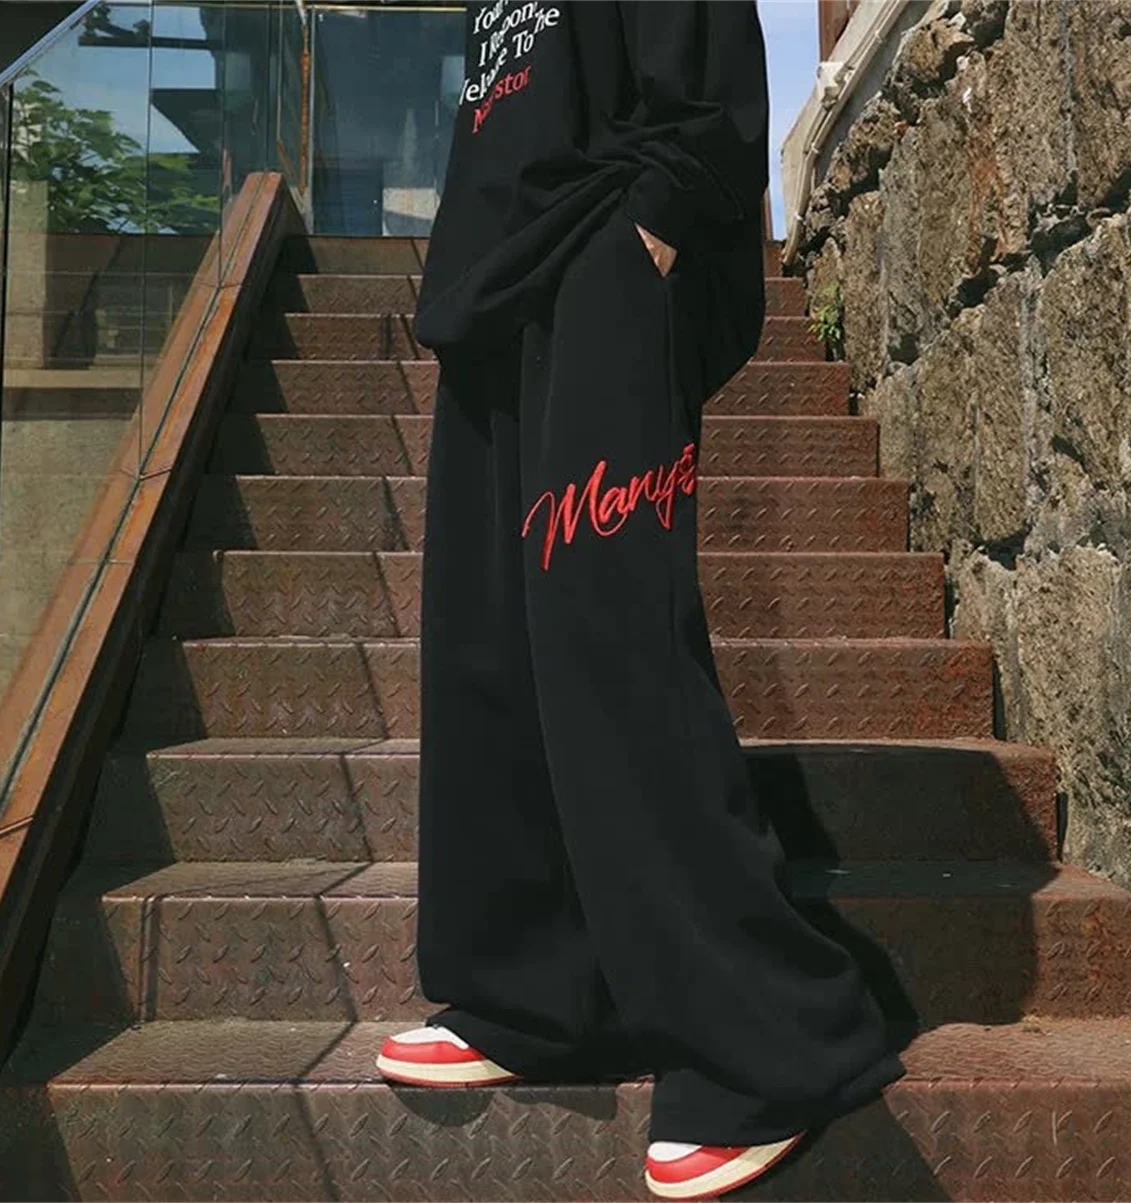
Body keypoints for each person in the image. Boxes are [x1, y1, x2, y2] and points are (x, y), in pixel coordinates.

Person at [375, 3, 905, 1198]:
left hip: (602, 260)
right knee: (490, 652)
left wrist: (654, 226)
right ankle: (537, 992)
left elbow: (703, 63)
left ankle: (769, 1040)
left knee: (612, 646)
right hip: (493, 282)